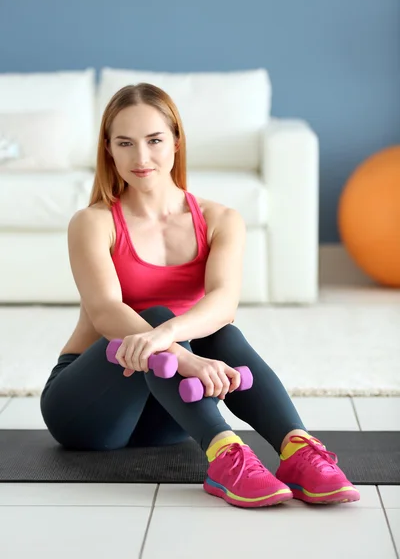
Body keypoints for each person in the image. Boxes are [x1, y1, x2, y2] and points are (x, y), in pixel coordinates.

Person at [40, 83, 360, 509]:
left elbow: (223, 302)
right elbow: (104, 311)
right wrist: (182, 354)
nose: (141, 158)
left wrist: (170, 339)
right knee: (154, 315)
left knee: (219, 331)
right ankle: (227, 456)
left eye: (154, 141)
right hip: (89, 408)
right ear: (109, 149)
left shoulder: (220, 219)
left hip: (169, 414)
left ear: (176, 141)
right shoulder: (93, 222)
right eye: (125, 143)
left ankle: (297, 448)